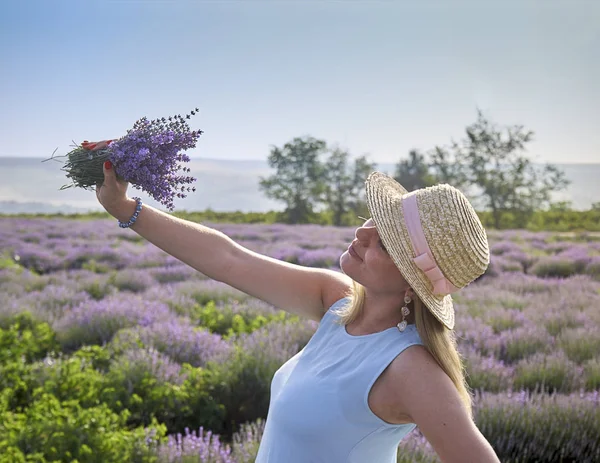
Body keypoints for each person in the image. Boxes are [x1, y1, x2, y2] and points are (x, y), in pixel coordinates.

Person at [90, 140, 501, 463]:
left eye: (385, 244)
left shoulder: (410, 368)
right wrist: (124, 208)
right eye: (372, 222)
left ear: (413, 282)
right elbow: (229, 260)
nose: (361, 236)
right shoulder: (337, 303)